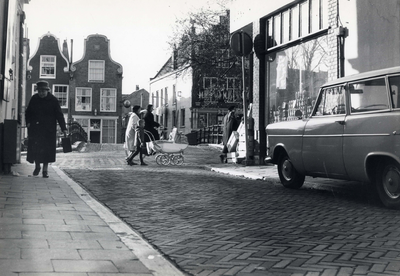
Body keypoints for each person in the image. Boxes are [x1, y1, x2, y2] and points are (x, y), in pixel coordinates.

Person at [25, 80, 67, 178]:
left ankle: (45, 170)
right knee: (36, 149)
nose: (41, 93)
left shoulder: (53, 100)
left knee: (47, 151)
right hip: (36, 129)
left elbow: (59, 115)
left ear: (47, 91)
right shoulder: (34, 99)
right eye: (39, 91)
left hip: (49, 130)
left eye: (43, 91)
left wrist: (64, 128)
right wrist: (28, 123)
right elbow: (28, 113)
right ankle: (37, 166)